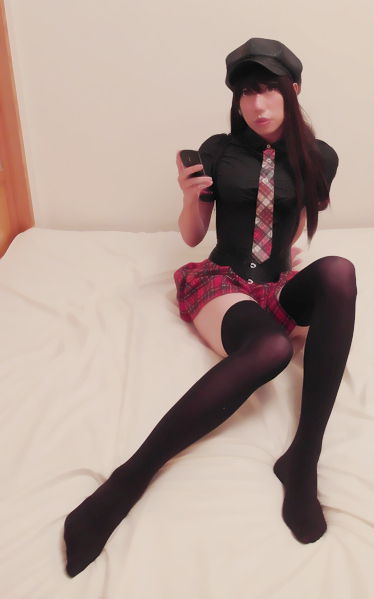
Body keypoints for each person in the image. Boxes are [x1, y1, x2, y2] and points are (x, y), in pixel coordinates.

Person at [63, 37, 357, 578]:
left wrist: (288, 257)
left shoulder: (320, 157)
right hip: (223, 280)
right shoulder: (219, 151)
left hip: (276, 285)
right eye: (246, 93)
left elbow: (299, 220)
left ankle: (303, 459)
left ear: (293, 91)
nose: (257, 105)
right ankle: (128, 480)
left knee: (339, 272)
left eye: (268, 89)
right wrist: (187, 195)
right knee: (270, 347)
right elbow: (194, 236)